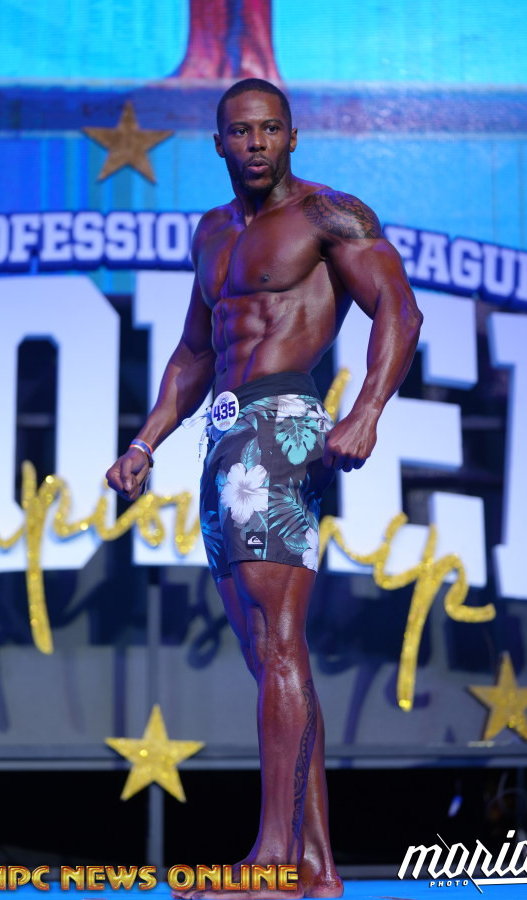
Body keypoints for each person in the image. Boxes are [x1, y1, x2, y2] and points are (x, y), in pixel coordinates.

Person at [106, 78, 423, 900]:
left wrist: (366, 411)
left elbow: (400, 309)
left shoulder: (329, 215)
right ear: (218, 142)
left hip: (282, 427)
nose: (255, 143)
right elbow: (194, 352)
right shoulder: (211, 232)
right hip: (221, 435)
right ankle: (313, 866)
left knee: (278, 642)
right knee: (268, 653)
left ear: (292, 137)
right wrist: (144, 442)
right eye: (241, 131)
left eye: (270, 129)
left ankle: (273, 861)